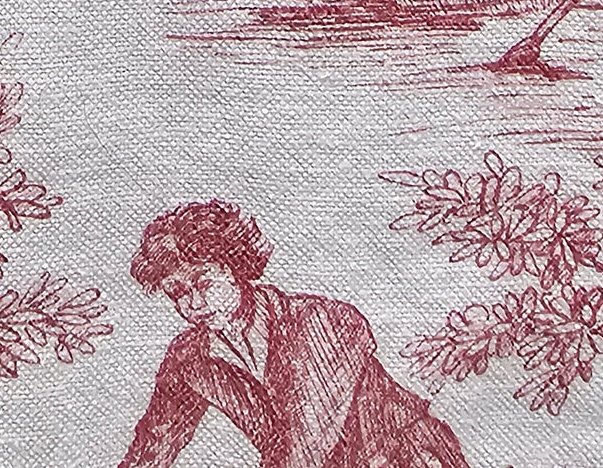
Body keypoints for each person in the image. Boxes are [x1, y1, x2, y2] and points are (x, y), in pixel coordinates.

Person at [118, 199, 468, 468]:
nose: (194, 304)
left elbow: (307, 445)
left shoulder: (323, 322)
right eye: (178, 293)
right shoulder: (189, 358)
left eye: (203, 283)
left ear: (234, 268)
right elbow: (153, 446)